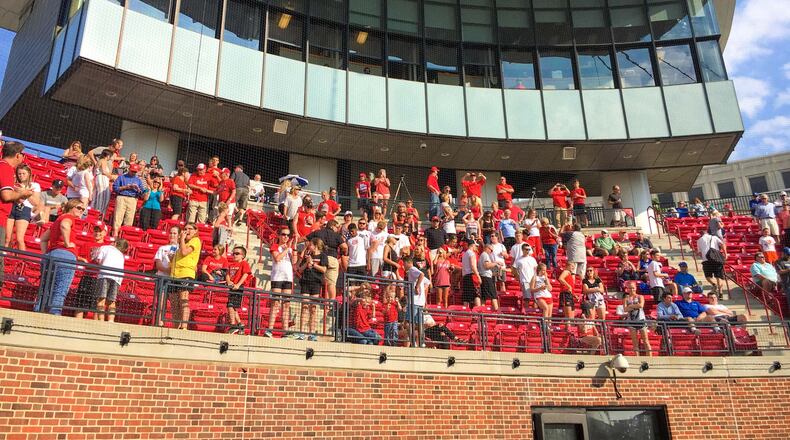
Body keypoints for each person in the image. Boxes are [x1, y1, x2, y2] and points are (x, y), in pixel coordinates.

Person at [37, 200, 84, 315]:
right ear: (71, 207)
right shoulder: (68, 217)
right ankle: (54, 314)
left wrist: (45, 254)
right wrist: (67, 243)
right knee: (60, 289)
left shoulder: (57, 220)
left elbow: (43, 238)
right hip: (65, 255)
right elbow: (65, 225)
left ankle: (38, 312)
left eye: (83, 209)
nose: (81, 210)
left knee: (45, 288)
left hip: (50, 255)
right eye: (79, 208)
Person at [169, 223, 201, 330]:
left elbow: (184, 252)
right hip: (174, 275)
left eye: (190, 229)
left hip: (186, 274)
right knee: (174, 302)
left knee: (184, 300)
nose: (187, 231)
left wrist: (181, 239)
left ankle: (184, 325)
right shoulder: (181, 244)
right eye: (185, 229)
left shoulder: (195, 241)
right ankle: (175, 325)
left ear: (195, 231)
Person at [265, 227, 295, 338]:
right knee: (275, 303)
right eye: (283, 234)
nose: (286, 237)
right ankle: (270, 329)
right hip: (277, 277)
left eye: (288, 235)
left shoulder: (289, 249)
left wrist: (293, 249)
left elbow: (295, 262)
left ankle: (285, 331)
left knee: (286, 304)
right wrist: (287, 249)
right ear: (279, 235)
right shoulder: (275, 246)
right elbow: (277, 258)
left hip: (288, 278)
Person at [306, 220, 346, 302]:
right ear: (332, 226)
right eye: (337, 227)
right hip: (332, 258)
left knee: (319, 281)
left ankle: (321, 301)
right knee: (331, 283)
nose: (338, 229)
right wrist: (342, 255)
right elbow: (345, 247)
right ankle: (330, 304)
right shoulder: (336, 235)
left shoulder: (317, 232)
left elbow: (305, 239)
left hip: (319, 258)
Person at [93, 238, 129, 322]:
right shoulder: (121, 255)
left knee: (101, 299)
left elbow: (98, 260)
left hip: (105, 274)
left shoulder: (105, 247)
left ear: (115, 243)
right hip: (117, 277)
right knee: (112, 301)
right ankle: (111, 321)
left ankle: (101, 321)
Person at [298, 238, 327, 341]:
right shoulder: (307, 255)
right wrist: (307, 262)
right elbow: (300, 269)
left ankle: (311, 332)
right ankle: (302, 332)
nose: (308, 246)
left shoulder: (323, 256)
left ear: (315, 245)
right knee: (304, 307)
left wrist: (313, 264)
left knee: (313, 309)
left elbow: (324, 269)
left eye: (310, 245)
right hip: (305, 281)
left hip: (316, 283)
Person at [6, 164, 40, 251]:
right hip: (12, 207)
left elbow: (36, 202)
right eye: (19, 174)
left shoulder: (34, 185)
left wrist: (25, 192)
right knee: (7, 238)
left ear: (29, 173)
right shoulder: (14, 183)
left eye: (23, 173)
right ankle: (3, 260)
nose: (21, 176)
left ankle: (21, 260)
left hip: (24, 209)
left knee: (19, 239)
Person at [224, 245, 251, 334]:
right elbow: (227, 274)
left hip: (238, 288)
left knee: (230, 306)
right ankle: (239, 324)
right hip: (232, 287)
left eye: (237, 253)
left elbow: (246, 274)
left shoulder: (244, 263)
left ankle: (233, 325)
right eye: (233, 253)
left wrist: (238, 285)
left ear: (242, 256)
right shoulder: (230, 264)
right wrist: (228, 282)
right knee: (233, 306)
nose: (234, 255)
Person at [111, 163, 144, 236]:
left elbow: (142, 192)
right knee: (118, 217)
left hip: (132, 198)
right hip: (122, 196)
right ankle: (115, 235)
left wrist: (138, 189)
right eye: (132, 171)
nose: (133, 173)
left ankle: (124, 236)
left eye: (135, 172)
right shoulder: (121, 177)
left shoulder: (138, 180)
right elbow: (115, 188)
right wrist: (126, 187)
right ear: (129, 169)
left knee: (129, 218)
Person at [622, 281, 652, 357]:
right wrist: (635, 306)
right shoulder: (626, 298)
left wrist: (631, 306)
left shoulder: (640, 297)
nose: (631, 290)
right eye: (630, 288)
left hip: (641, 320)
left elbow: (641, 305)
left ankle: (650, 358)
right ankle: (637, 357)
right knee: (635, 343)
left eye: (633, 288)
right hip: (631, 321)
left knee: (645, 341)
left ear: (635, 288)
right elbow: (625, 309)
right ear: (627, 289)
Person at [697, 230, 727, 297]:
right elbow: (722, 244)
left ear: (701, 234)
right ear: (707, 233)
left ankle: (714, 284)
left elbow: (699, 253)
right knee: (719, 277)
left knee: (708, 276)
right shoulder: (714, 237)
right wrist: (725, 254)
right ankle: (721, 292)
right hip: (716, 259)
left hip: (706, 260)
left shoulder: (699, 240)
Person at [477, 243, 500, 311]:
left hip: (484, 276)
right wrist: (495, 263)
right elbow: (486, 266)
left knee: (484, 297)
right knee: (493, 296)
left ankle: (482, 312)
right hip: (486, 277)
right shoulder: (485, 255)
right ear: (487, 248)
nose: (491, 252)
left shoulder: (483, 255)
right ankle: (497, 312)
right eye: (491, 250)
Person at [90, 149, 113, 215]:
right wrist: (111, 177)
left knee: (97, 198)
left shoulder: (99, 161)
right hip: (102, 179)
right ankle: (98, 214)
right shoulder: (103, 161)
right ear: (108, 156)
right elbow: (104, 171)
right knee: (103, 198)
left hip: (98, 179)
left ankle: (94, 213)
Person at [461, 241, 480, 308]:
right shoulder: (472, 254)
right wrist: (478, 276)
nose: (476, 247)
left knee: (466, 296)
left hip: (465, 276)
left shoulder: (465, 254)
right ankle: (478, 311)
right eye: (475, 246)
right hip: (471, 276)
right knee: (476, 295)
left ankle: (465, 314)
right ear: (472, 245)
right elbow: (473, 265)